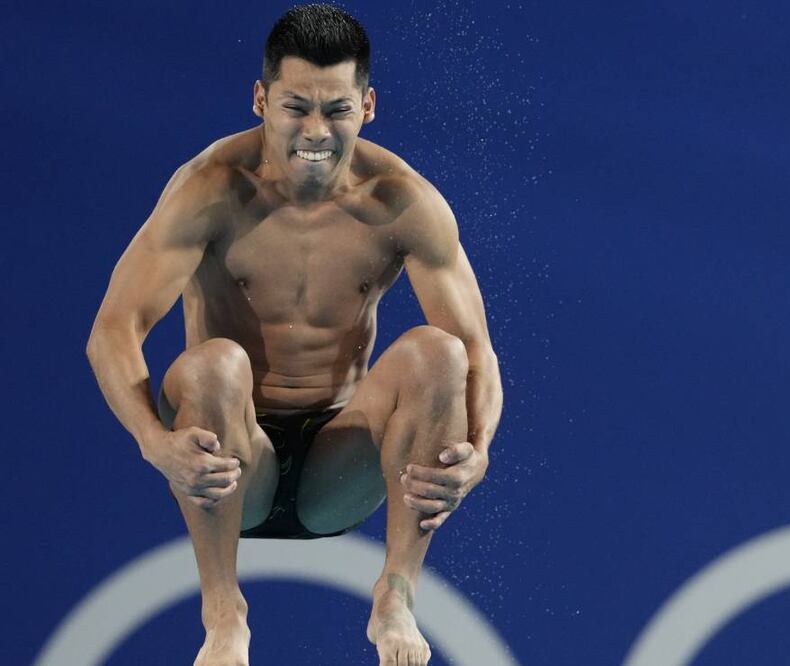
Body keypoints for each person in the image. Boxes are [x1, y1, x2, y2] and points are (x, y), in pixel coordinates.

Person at [84, 5, 503, 665]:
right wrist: (153, 443)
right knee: (215, 364)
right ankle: (223, 613)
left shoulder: (403, 201)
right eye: (295, 107)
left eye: (335, 110)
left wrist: (477, 453)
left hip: (342, 465)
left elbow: (477, 352)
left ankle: (396, 593)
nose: (315, 131)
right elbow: (112, 332)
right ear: (260, 99)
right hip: (230, 456)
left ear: (366, 106)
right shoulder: (209, 191)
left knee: (439, 354)